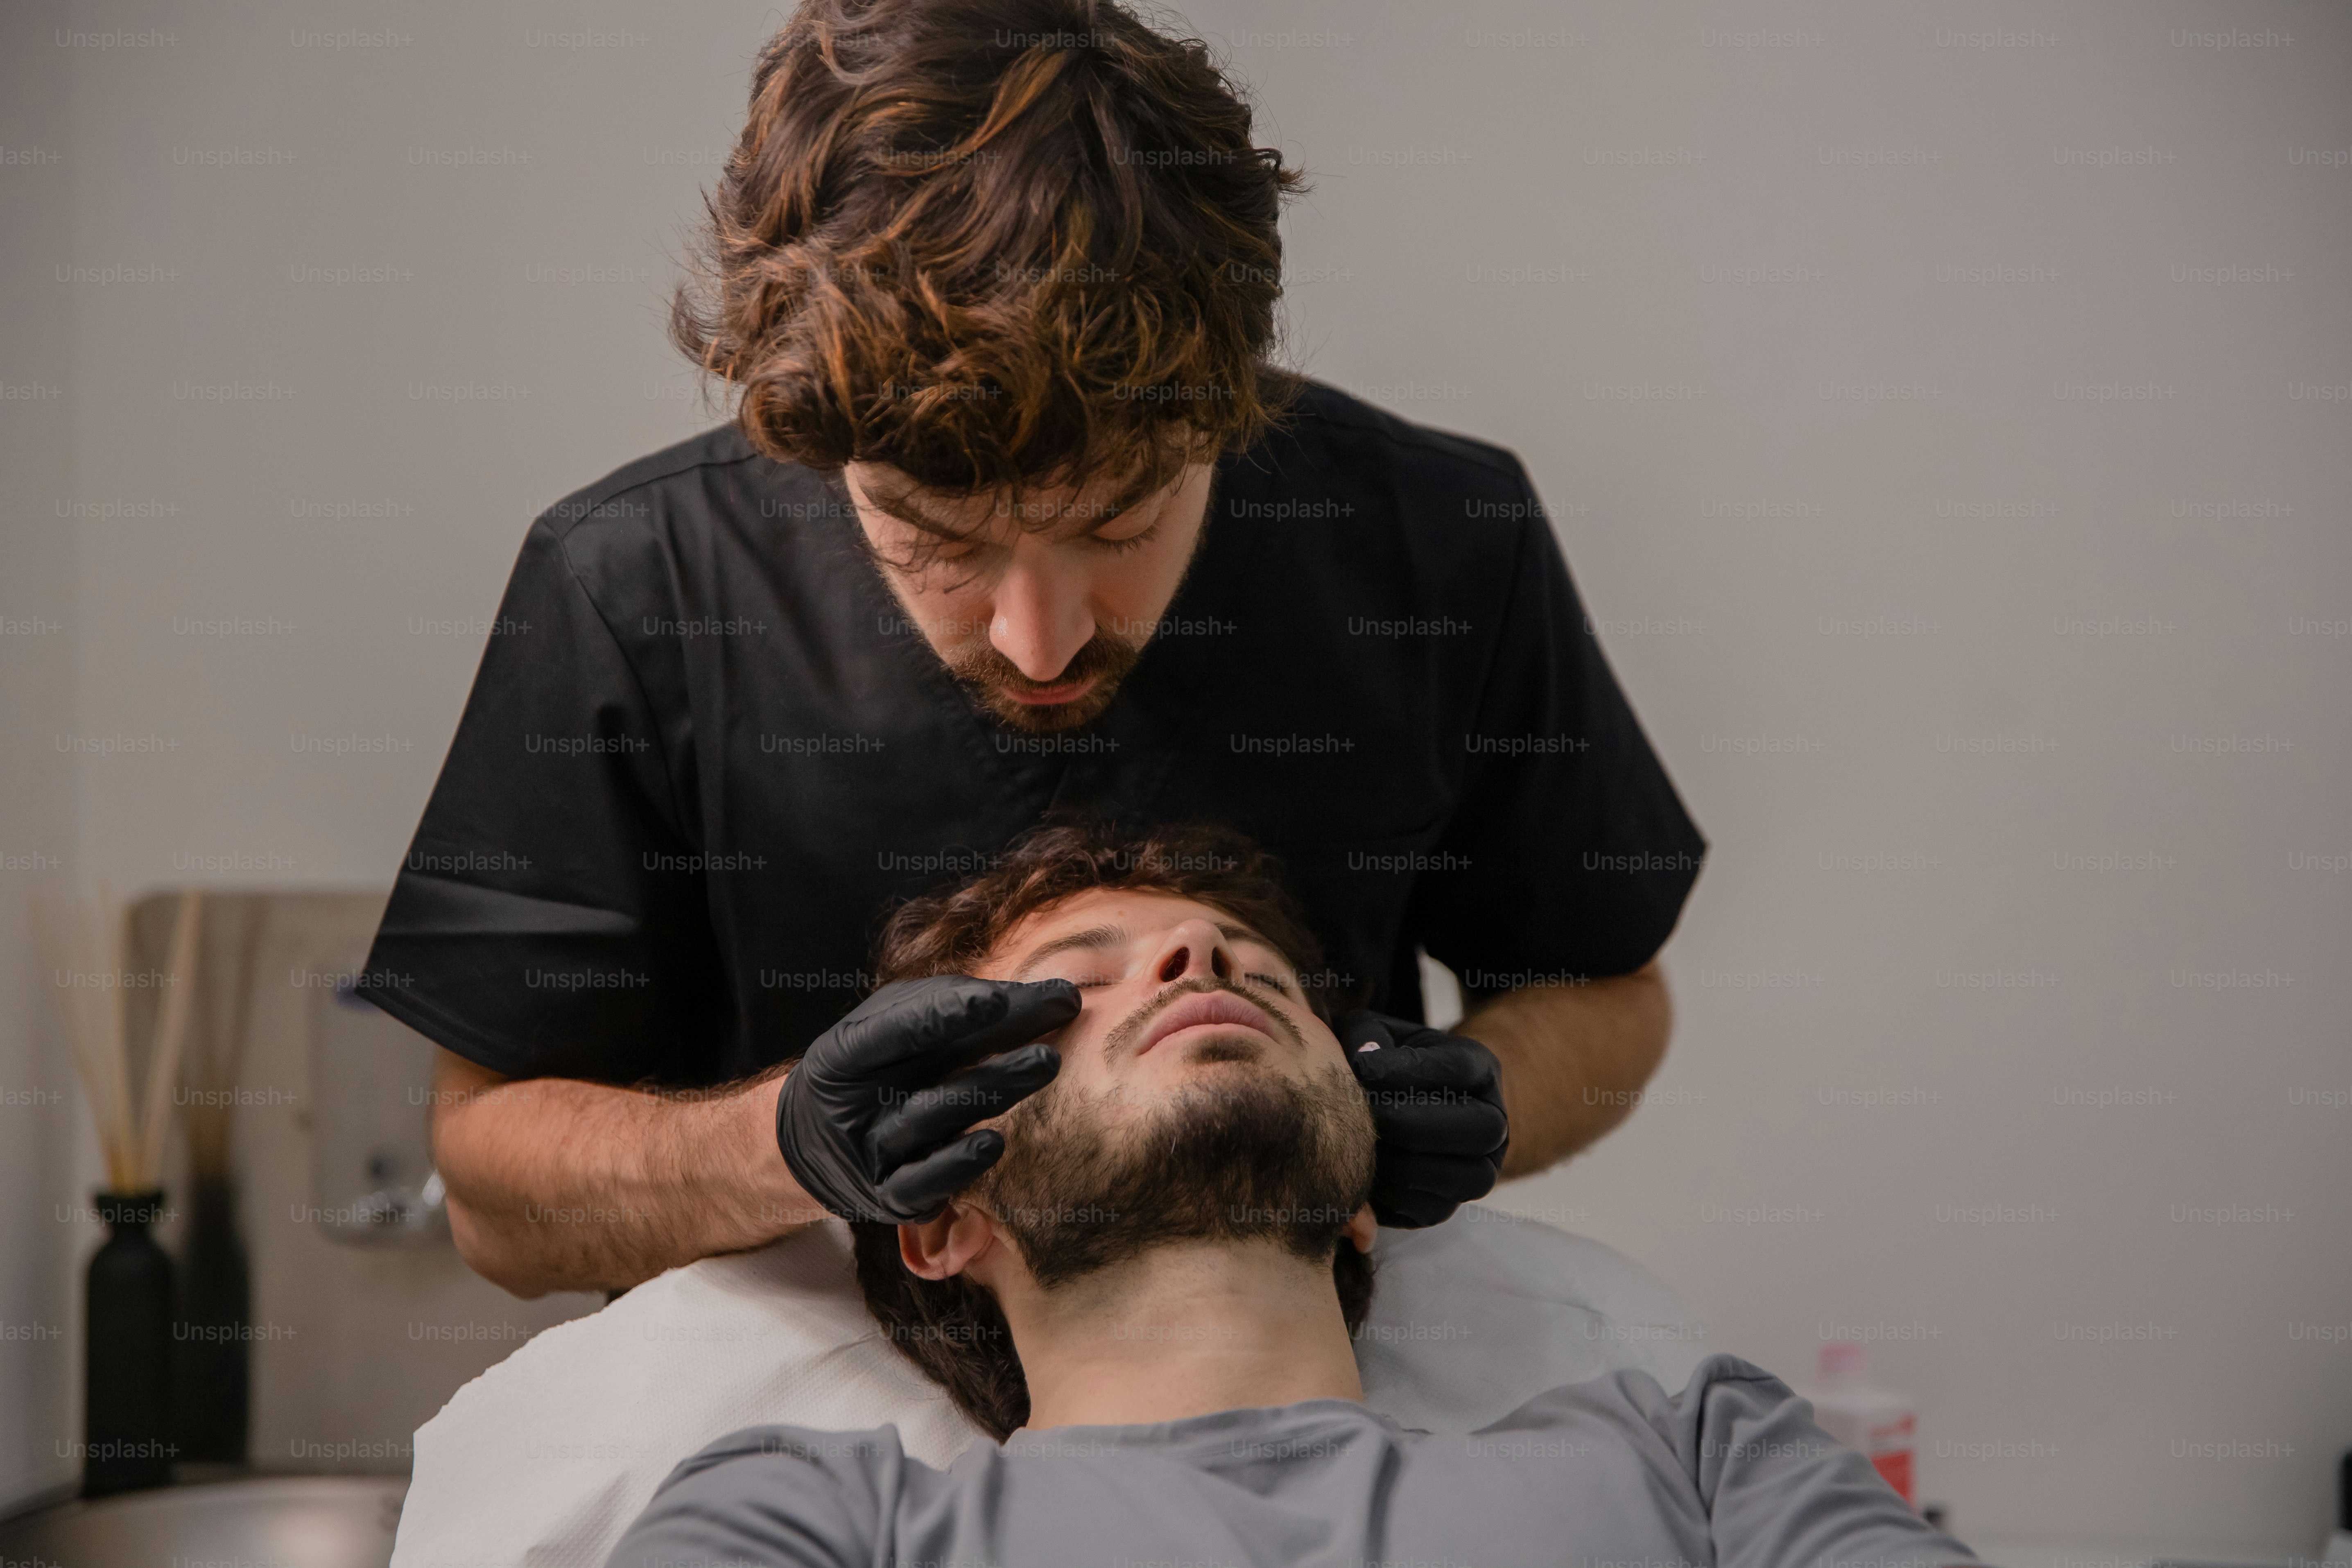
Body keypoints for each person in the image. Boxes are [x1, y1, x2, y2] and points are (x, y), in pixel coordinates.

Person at [357, 0, 1705, 1298]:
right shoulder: (634, 588)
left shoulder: (1438, 542)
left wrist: (1464, 1111)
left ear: (1224, 413)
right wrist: (778, 1149)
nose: (1039, 640)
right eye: (940, 538)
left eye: (1119, 519)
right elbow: (491, 1190)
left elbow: (1604, 992)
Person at [605, 821, 1979, 1568]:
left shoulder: (1689, 1451)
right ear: (944, 1214)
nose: (1201, 951)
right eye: (1077, 984)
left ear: (1367, 1190)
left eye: (1258, 973)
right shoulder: (817, 1521)